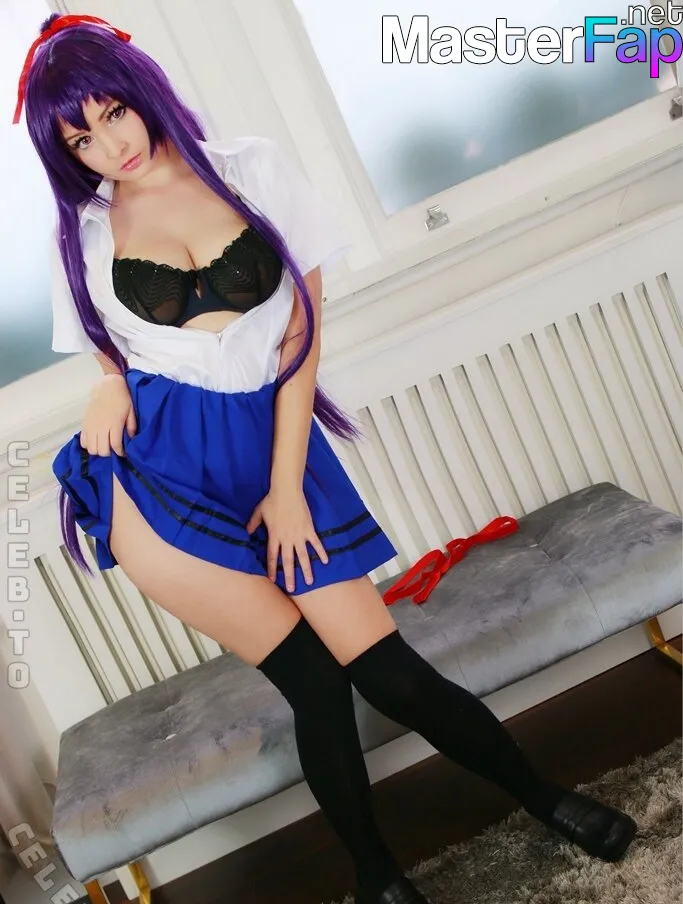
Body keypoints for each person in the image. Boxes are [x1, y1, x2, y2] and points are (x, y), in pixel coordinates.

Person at [15, 13, 638, 904]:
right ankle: (378, 876)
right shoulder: (80, 235)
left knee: (386, 672)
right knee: (312, 683)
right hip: (157, 476)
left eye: (114, 113)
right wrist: (106, 385)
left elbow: (299, 337)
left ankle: (544, 799)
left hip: (276, 450)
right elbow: (114, 348)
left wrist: (285, 490)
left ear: (141, 91)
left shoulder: (249, 170)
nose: (110, 146)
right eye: (81, 139)